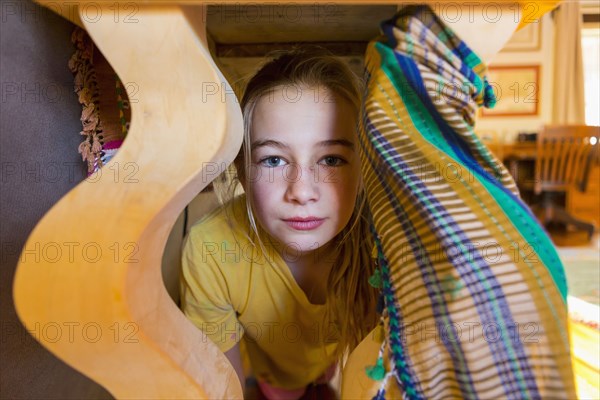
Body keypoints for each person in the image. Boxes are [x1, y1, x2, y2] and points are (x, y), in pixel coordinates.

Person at [180, 47, 379, 399]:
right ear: (242, 171)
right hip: (268, 370)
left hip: (333, 359)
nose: (302, 191)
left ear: (362, 170)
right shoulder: (210, 249)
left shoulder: (381, 245)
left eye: (331, 159)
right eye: (273, 160)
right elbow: (226, 385)